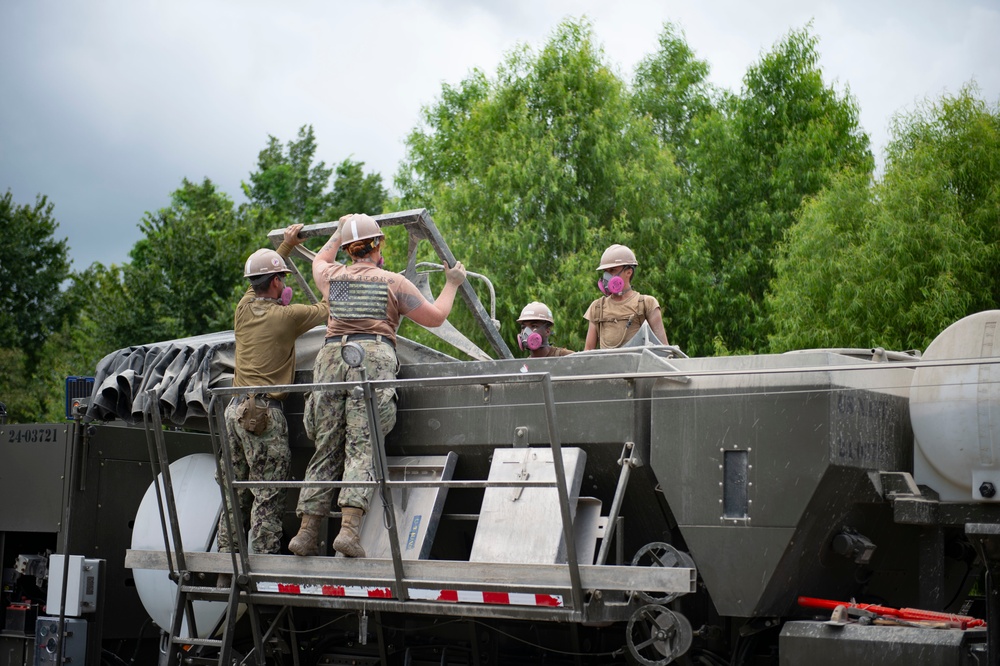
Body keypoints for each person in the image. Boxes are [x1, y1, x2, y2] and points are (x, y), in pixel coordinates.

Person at [289, 213, 467, 557]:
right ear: (378, 246)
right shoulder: (392, 282)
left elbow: (322, 260)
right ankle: (349, 531)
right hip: (371, 359)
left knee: (325, 446)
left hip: (329, 359)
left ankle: (307, 533)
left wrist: (339, 230)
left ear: (349, 249)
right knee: (362, 444)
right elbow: (436, 317)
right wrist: (453, 283)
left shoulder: (332, 277)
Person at [218, 223, 329, 567]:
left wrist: (285, 246)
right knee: (268, 493)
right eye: (282, 278)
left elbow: (261, 278)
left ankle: (226, 565)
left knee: (234, 492)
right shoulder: (288, 316)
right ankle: (264, 563)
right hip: (263, 416)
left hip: (234, 411)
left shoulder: (243, 309)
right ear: (278, 283)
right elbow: (328, 308)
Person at [583, 244, 669, 350]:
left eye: (613, 270)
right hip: (607, 365)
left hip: (637, 365)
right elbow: (588, 352)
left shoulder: (646, 304)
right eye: (606, 271)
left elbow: (664, 349)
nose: (607, 276)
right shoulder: (597, 307)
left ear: (629, 272)